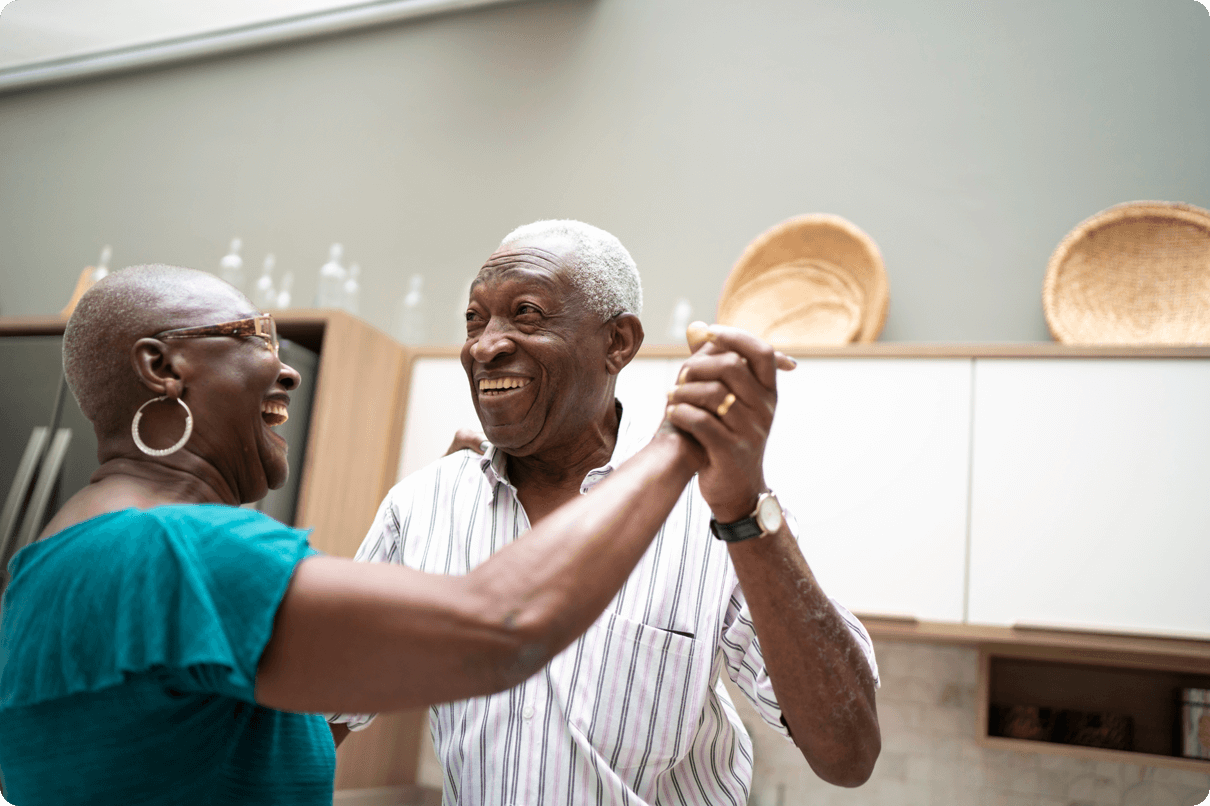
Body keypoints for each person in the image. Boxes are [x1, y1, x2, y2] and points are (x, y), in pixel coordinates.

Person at [0, 264, 758, 805]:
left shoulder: (48, 565)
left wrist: (446, 513)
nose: (285, 369)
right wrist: (680, 443)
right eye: (252, 336)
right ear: (162, 367)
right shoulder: (179, 552)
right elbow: (504, 628)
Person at [329, 220, 882, 804]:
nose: (485, 345)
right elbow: (323, 714)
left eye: (526, 314)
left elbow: (847, 753)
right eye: (474, 319)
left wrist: (745, 509)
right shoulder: (423, 508)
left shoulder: (710, 510)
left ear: (617, 342)